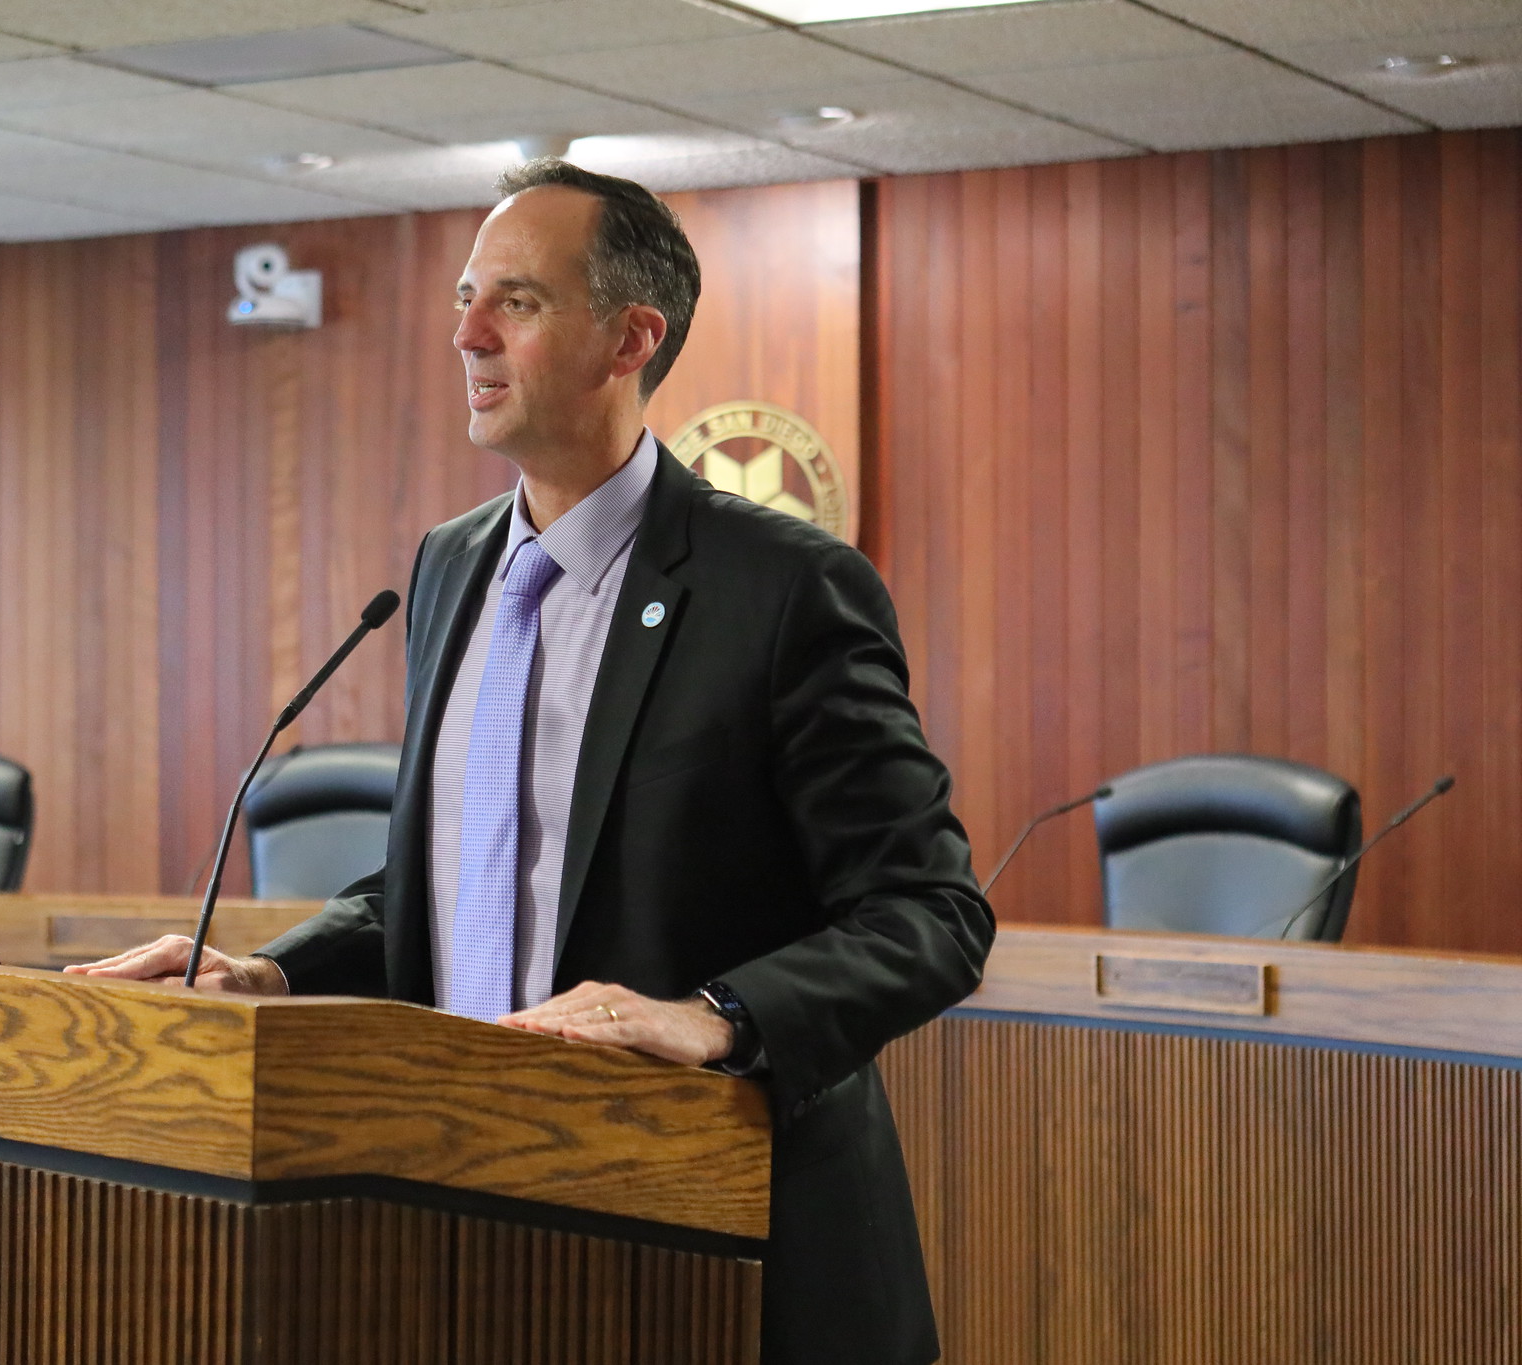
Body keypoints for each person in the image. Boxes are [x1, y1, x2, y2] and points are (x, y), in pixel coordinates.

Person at [71, 161, 993, 1364]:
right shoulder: (450, 567)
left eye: (515, 300)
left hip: (721, 1244)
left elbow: (927, 915)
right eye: (464, 297)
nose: (465, 335)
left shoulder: (780, 589)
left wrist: (711, 1017)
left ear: (629, 339)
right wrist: (271, 978)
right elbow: (454, 883)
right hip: (469, 1217)